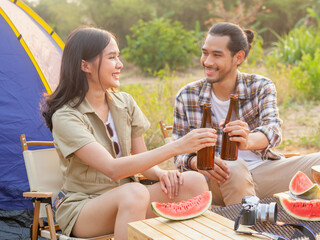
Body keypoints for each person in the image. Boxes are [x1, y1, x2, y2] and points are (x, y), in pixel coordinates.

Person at [41, 26, 217, 240]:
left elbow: (143, 161)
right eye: (112, 57)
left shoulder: (125, 103)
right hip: (85, 208)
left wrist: (161, 173)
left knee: (194, 182)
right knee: (135, 192)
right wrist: (177, 147)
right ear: (85, 65)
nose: (120, 65)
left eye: (118, 56)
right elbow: (112, 169)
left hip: (132, 197)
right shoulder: (66, 116)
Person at [172, 22, 320, 206]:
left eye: (217, 55)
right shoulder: (187, 95)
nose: (207, 61)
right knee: (234, 166)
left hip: (263, 172)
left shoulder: (260, 86)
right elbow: (176, 152)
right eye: (205, 53)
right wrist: (196, 162)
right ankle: (248, 225)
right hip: (216, 180)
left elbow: (273, 129)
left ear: (238, 57)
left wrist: (247, 140)